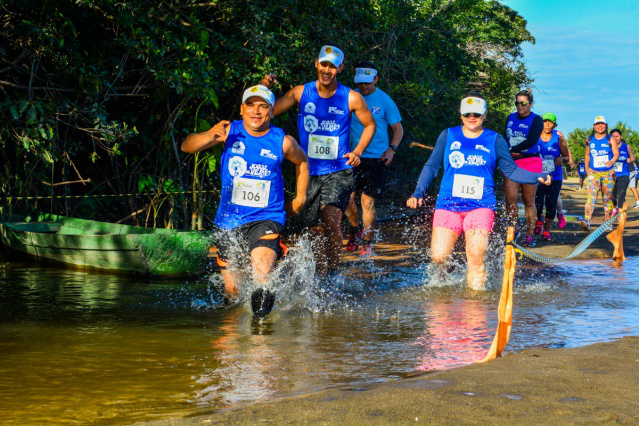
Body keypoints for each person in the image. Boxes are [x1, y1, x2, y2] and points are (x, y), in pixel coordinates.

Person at [181, 85, 309, 315]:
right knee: (232, 292)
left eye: (263, 106)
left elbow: (302, 161)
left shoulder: (283, 141)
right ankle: (234, 338)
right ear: (242, 109)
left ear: (271, 112)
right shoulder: (229, 132)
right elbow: (187, 146)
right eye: (250, 105)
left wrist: (300, 197)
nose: (256, 111)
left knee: (261, 276)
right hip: (229, 220)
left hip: (266, 217)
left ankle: (261, 343)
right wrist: (210, 134)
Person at [406, 93, 551, 291]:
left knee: (475, 256)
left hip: (480, 206)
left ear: (485, 114)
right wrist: (418, 192)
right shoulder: (448, 135)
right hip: (448, 204)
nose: (471, 117)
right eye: (467, 114)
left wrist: (537, 176)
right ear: (460, 114)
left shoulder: (495, 140)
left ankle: (476, 305)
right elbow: (431, 166)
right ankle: (446, 287)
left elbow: (511, 170)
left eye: (476, 113)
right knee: (438, 256)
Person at [261, 45, 376, 275]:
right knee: (314, 229)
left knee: (331, 218)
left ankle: (332, 273)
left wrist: (358, 152)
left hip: (339, 170)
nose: (327, 70)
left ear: (340, 68)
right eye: (324, 64)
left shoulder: (351, 97)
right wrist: (263, 89)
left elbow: (370, 125)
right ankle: (321, 272)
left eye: (332, 66)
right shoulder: (301, 93)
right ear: (316, 63)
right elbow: (267, 111)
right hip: (308, 171)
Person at [343, 61, 403, 257]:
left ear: (375, 79)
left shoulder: (384, 100)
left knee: (367, 203)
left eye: (367, 82)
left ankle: (367, 242)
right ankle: (355, 229)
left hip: (376, 158)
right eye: (360, 82)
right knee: (347, 199)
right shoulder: (349, 97)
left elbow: (398, 129)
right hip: (351, 155)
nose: (364, 86)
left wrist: (392, 149)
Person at [503, 89, 544, 246]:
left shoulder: (536, 119)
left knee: (528, 200)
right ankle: (513, 230)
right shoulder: (510, 118)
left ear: (530, 104)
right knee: (510, 199)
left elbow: (532, 140)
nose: (520, 106)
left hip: (530, 162)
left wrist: (513, 149)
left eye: (523, 103)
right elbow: (505, 138)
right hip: (512, 163)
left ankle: (530, 234)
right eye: (517, 103)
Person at [533, 112, 573, 241]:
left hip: (555, 176)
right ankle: (540, 219)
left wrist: (562, 158)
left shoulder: (558, 136)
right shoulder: (535, 135)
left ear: (554, 124)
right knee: (538, 204)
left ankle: (547, 230)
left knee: (551, 204)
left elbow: (567, 157)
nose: (547, 124)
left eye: (550, 122)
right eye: (545, 121)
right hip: (538, 176)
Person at [581, 116, 620, 231]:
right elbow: (587, 156)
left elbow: (616, 153)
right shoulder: (589, 139)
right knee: (591, 198)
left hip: (608, 174)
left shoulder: (610, 138)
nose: (600, 126)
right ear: (594, 126)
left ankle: (608, 223)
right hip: (593, 173)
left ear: (606, 126)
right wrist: (588, 172)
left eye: (602, 124)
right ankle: (587, 221)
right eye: (597, 124)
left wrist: (612, 161)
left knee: (607, 199)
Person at [610, 128, 636, 213]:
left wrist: (630, 159)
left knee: (621, 194)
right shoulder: (608, 147)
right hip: (611, 175)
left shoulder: (626, 146)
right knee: (612, 197)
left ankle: (621, 214)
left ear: (621, 136)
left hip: (624, 174)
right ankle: (614, 210)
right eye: (613, 137)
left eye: (617, 136)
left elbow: (633, 158)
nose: (615, 138)